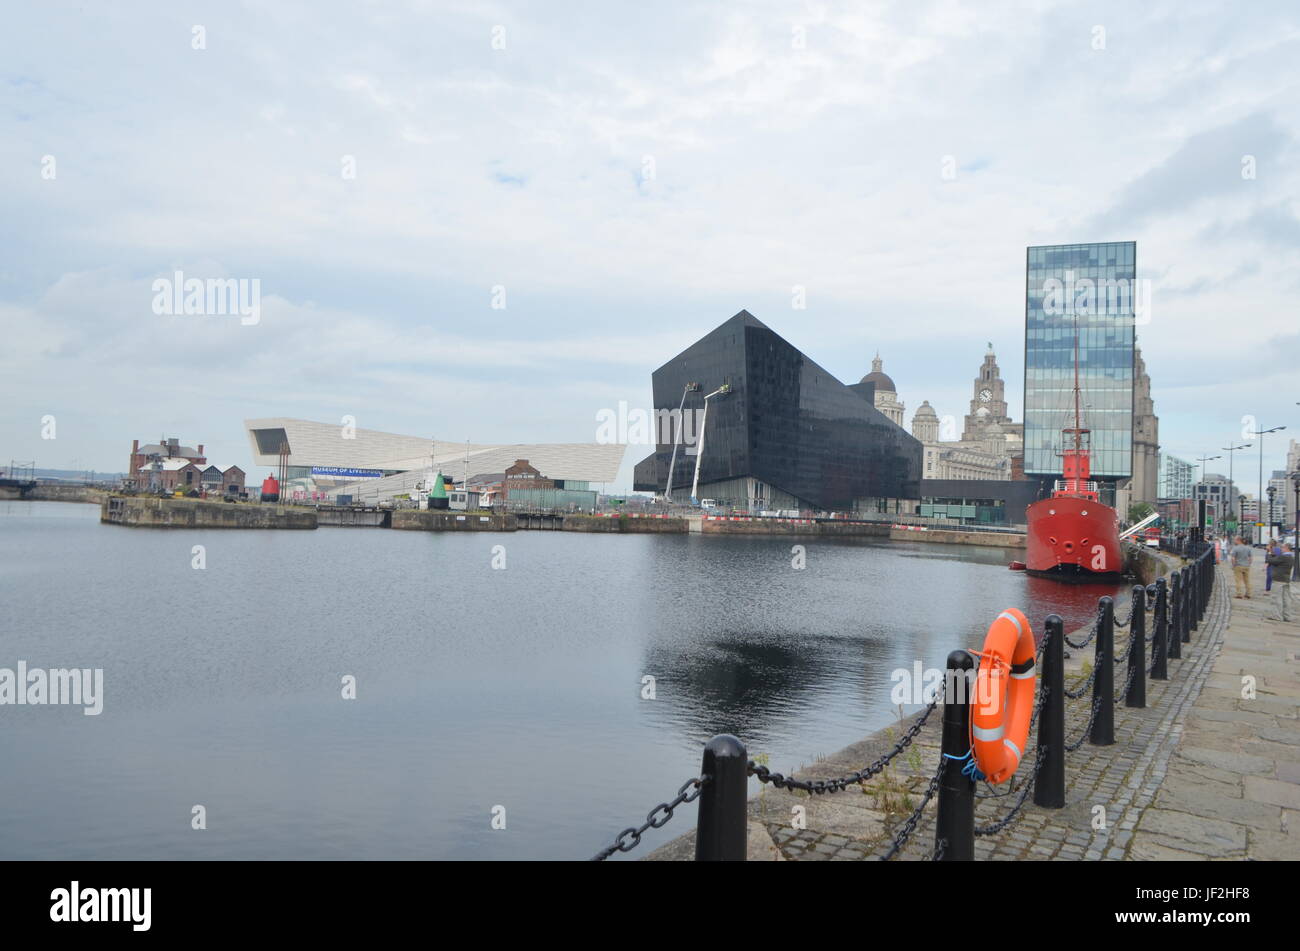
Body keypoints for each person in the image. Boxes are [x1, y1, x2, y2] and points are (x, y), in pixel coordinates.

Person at [1266, 543, 1295, 621]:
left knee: (1276, 598)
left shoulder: (1284, 557)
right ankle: (1287, 616)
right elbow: (1276, 560)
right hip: (1286, 579)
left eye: (1282, 547)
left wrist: (1269, 552)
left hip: (1278, 580)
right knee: (1286, 599)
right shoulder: (1291, 557)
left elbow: (1270, 560)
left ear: (1286, 548)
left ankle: (1277, 616)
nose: (1281, 549)